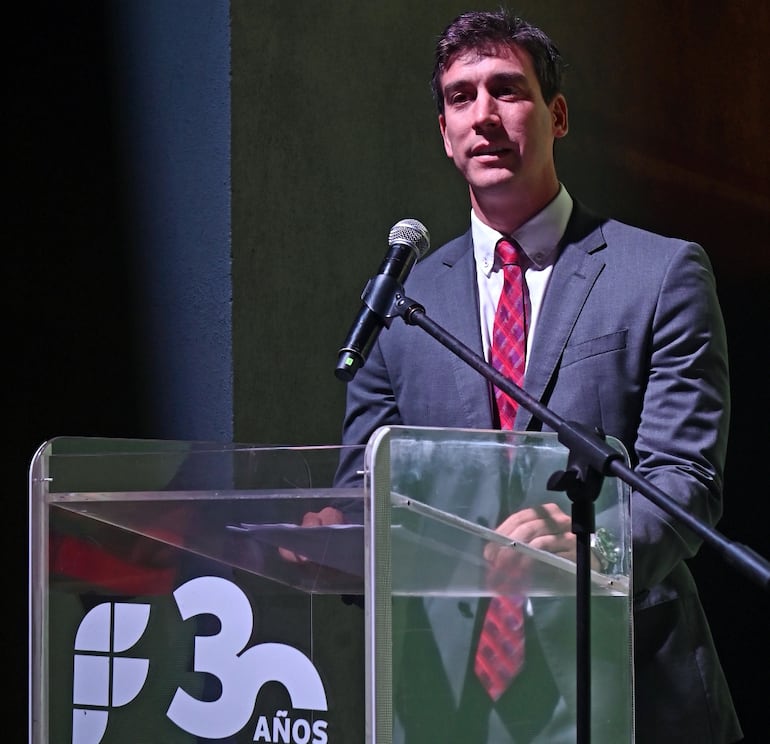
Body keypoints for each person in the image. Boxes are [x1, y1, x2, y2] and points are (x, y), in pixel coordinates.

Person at [319, 9, 743, 743]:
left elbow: (686, 479)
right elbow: (365, 481)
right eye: (460, 97)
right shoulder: (401, 301)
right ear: (444, 134)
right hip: (448, 696)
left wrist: (598, 544)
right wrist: (333, 532)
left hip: (630, 682)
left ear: (558, 115)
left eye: (506, 90)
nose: (482, 115)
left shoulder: (660, 274)